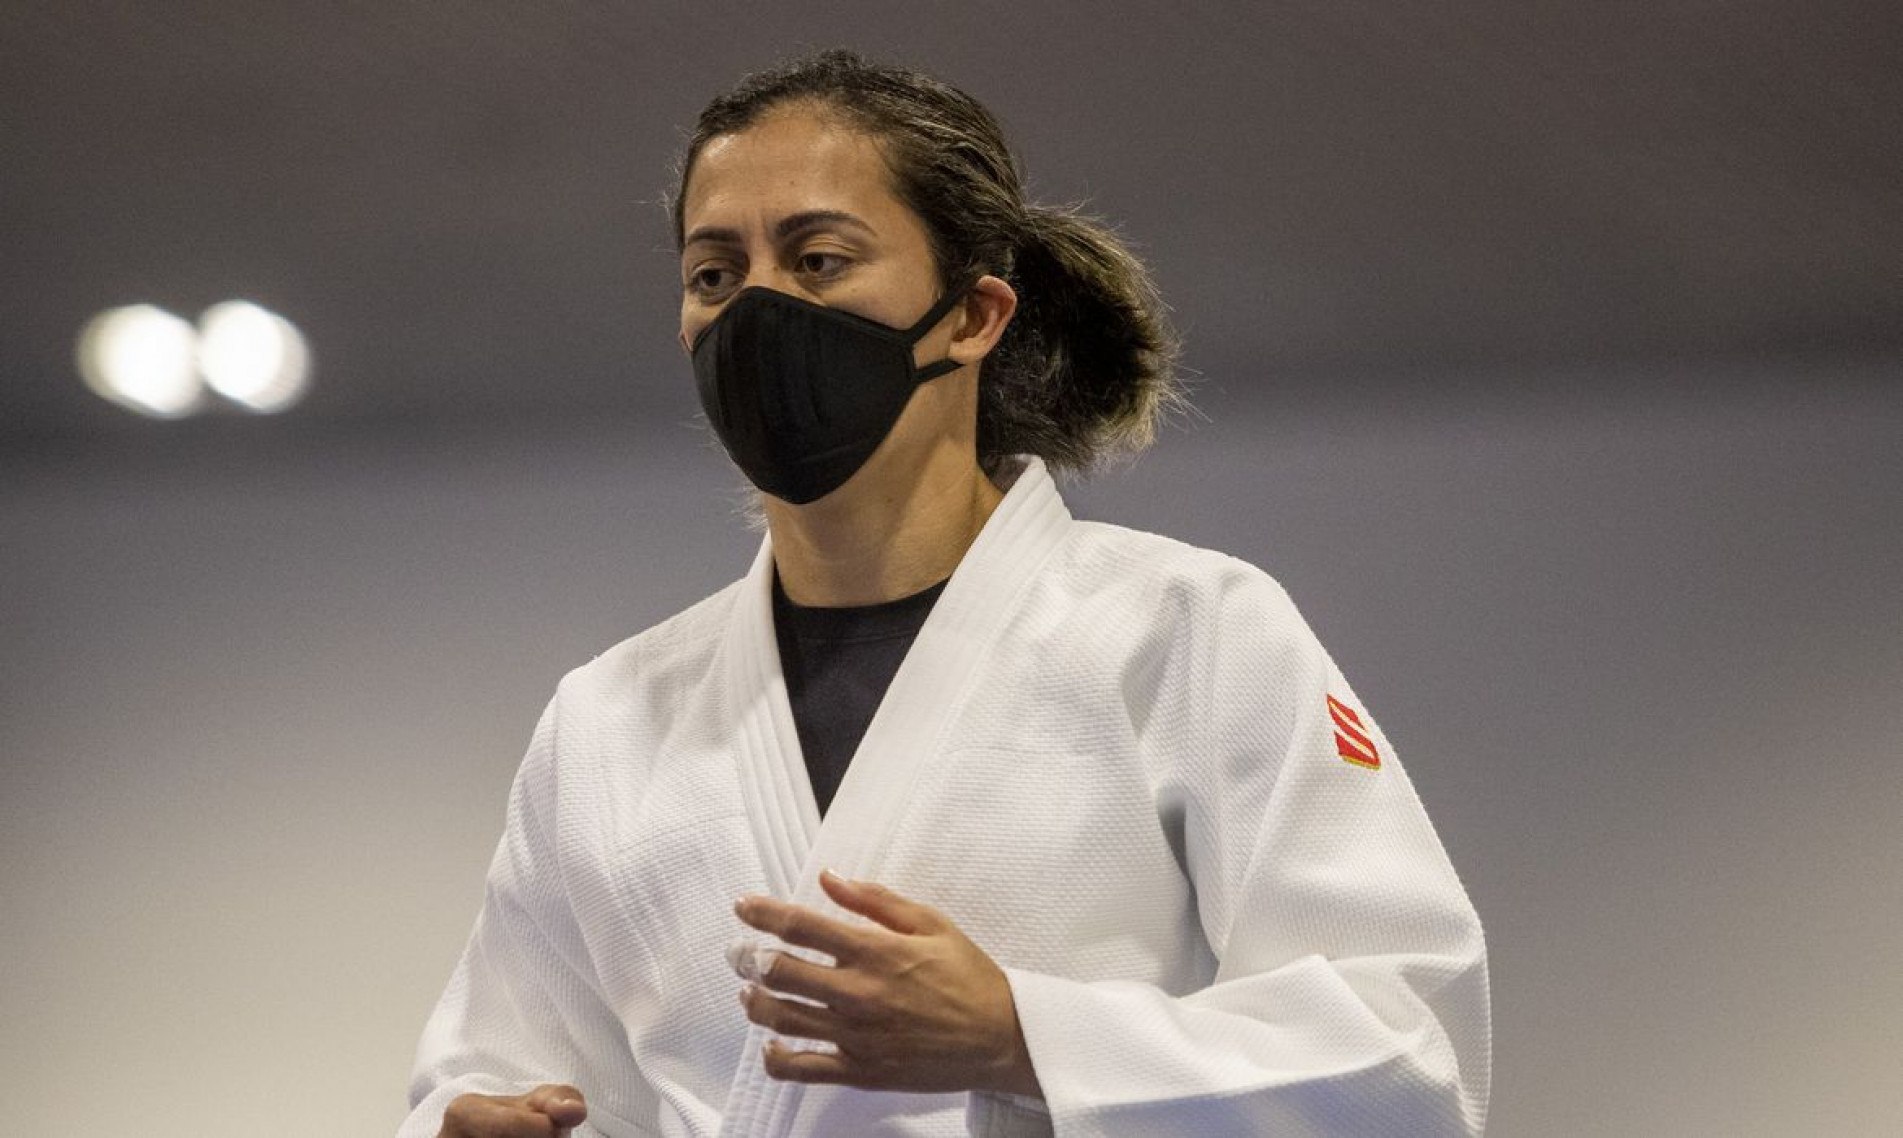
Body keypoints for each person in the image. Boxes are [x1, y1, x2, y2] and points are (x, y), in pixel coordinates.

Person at [401, 49, 1490, 1138]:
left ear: (972, 315)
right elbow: (493, 1072)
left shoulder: (1180, 630)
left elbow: (1408, 1060)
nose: (757, 309)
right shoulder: (606, 720)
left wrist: (1022, 1035)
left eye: (819, 258)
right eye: (714, 274)